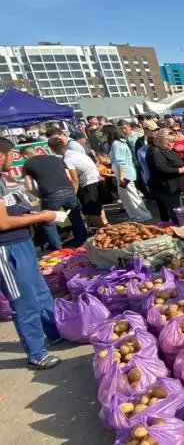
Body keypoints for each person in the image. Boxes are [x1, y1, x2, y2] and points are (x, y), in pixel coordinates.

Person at [0, 137, 64, 370]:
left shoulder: (2, 179)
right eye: (10, 155)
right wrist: (42, 216)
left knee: (41, 292)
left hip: (22, 243)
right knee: (24, 300)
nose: (12, 159)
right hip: (7, 250)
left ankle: (54, 332)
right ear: (1, 156)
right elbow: (3, 223)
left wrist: (27, 212)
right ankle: (36, 354)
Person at [21, 146, 87, 249]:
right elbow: (68, 176)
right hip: (69, 190)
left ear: (25, 155)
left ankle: (58, 249)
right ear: (36, 151)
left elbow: (29, 187)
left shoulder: (27, 164)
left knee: (48, 223)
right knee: (76, 217)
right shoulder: (56, 158)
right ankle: (82, 243)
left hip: (50, 194)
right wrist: (72, 190)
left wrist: (41, 196)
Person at [47, 136, 106, 228]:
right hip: (95, 180)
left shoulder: (68, 159)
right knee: (94, 210)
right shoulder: (73, 153)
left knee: (92, 213)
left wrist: (73, 193)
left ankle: (105, 230)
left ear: (52, 149)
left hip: (88, 184)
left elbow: (74, 179)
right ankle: (97, 228)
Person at [107, 124, 152, 222]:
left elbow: (121, 162)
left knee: (131, 195)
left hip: (124, 174)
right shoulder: (119, 143)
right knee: (125, 196)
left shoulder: (116, 144)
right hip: (122, 173)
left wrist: (122, 176)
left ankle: (143, 215)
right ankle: (134, 215)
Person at [146, 129, 184, 224]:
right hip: (165, 187)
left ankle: (178, 225)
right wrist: (179, 170)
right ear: (163, 141)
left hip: (173, 186)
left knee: (176, 208)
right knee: (174, 210)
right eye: (170, 142)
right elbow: (160, 167)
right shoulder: (155, 151)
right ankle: (179, 227)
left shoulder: (165, 149)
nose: (173, 144)